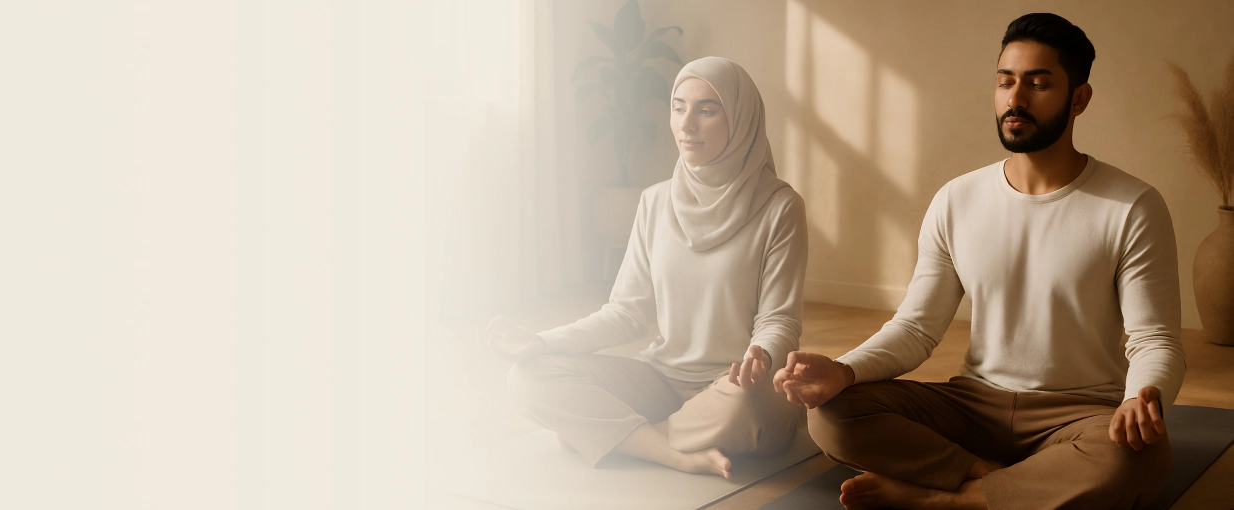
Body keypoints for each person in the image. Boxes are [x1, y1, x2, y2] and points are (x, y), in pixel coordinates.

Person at [772, 13, 1184, 509]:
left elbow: (1155, 339)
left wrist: (1142, 396)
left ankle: (940, 499)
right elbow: (917, 328)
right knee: (831, 411)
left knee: (1139, 456)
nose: (1016, 98)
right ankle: (992, 482)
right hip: (972, 406)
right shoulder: (957, 199)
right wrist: (844, 370)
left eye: (1038, 83)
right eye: (1005, 81)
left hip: (1078, 414)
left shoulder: (1132, 205)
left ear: (1079, 98)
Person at [479, 57, 808, 478]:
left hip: (733, 387)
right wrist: (541, 342)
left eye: (706, 110)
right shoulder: (655, 201)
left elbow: (779, 319)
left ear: (742, 120)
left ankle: (614, 436)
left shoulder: (780, 206)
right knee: (527, 377)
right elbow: (628, 313)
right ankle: (670, 451)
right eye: (677, 107)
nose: (686, 124)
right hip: (660, 381)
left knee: (751, 408)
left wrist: (761, 353)